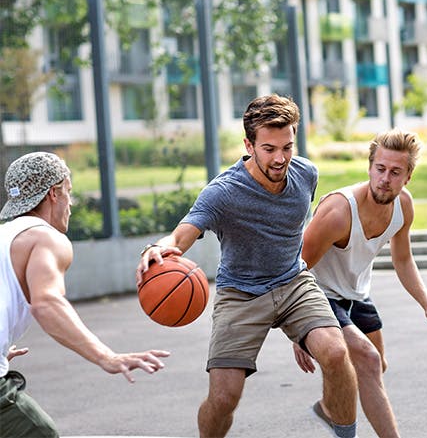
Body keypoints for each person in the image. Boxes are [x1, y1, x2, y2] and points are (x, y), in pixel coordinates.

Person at [136, 94, 358, 438]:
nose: (280, 158)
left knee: (334, 351)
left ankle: (341, 426)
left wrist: (304, 332)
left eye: (288, 146)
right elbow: (181, 236)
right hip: (240, 292)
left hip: (293, 281)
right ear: (248, 144)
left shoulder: (306, 174)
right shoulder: (223, 192)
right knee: (225, 397)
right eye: (269, 149)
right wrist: (157, 248)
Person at [293, 127, 427, 437]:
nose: (385, 178)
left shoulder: (403, 206)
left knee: (376, 366)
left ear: (408, 177)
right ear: (369, 167)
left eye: (395, 172)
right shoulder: (338, 212)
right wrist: (298, 330)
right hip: (317, 293)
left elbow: (403, 259)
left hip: (355, 292)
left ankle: (329, 406)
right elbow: (296, 269)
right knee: (366, 360)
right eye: (380, 169)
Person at [0, 152, 170, 438]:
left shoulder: (5, 235)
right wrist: (107, 357)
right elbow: (47, 304)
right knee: (38, 432)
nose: (71, 204)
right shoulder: (47, 238)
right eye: (69, 192)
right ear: (54, 194)